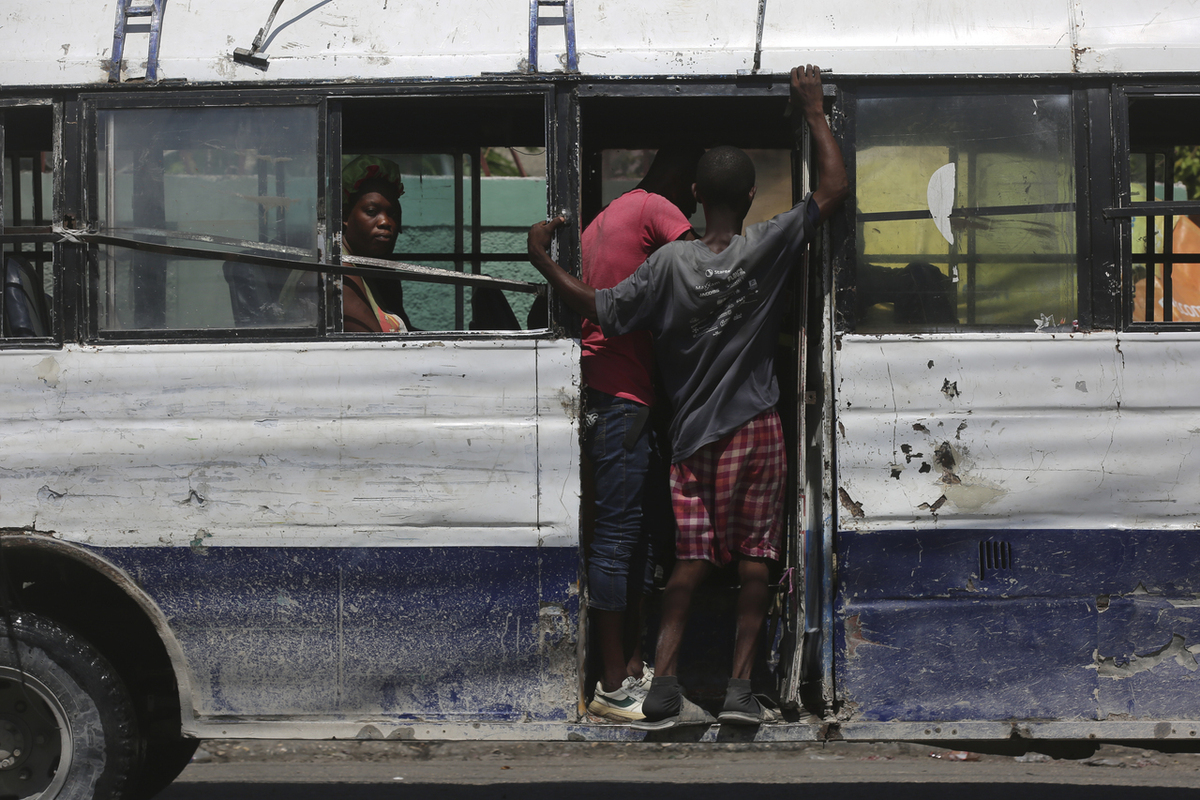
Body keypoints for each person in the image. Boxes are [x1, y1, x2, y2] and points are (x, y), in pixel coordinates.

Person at [526, 65, 848, 729]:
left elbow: (603, 309)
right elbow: (834, 188)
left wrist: (545, 263)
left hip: (694, 438)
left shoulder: (669, 264)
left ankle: (665, 683)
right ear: (754, 195)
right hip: (759, 430)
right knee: (757, 564)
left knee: (690, 564)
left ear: (695, 195)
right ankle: (739, 691)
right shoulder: (769, 244)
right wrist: (813, 110)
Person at [578, 146, 704, 722]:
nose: (694, 205)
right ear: (683, 178)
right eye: (695, 193)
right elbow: (703, 275)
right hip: (622, 394)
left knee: (632, 540)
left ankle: (628, 666)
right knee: (617, 537)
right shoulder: (656, 208)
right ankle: (610, 683)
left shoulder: (609, 215)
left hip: (618, 392)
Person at [340, 155, 415, 332]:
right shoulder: (340, 271)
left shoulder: (375, 270)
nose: (385, 222)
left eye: (393, 214)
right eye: (372, 211)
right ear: (345, 216)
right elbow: (376, 348)